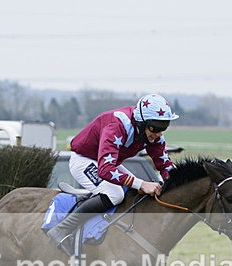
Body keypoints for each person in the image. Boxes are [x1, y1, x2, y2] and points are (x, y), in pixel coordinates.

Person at [46, 93, 179, 254]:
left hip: (107, 162)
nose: (158, 133)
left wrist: (179, 184)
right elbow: (105, 170)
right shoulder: (116, 126)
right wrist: (142, 184)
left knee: (130, 191)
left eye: (163, 128)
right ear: (141, 122)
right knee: (115, 194)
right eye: (154, 128)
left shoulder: (153, 135)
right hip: (84, 160)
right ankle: (61, 229)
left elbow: (165, 165)